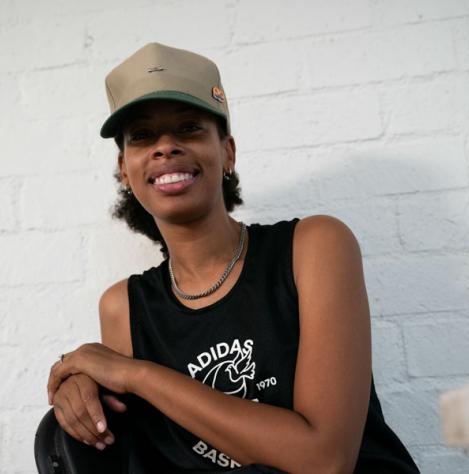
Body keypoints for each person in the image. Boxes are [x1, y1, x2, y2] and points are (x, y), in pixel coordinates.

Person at [47, 42, 420, 473]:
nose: (165, 147)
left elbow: (324, 460)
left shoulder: (314, 247)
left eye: (188, 128)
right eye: (143, 136)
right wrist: (81, 384)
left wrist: (137, 374)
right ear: (124, 170)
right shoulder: (124, 308)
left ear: (227, 152)